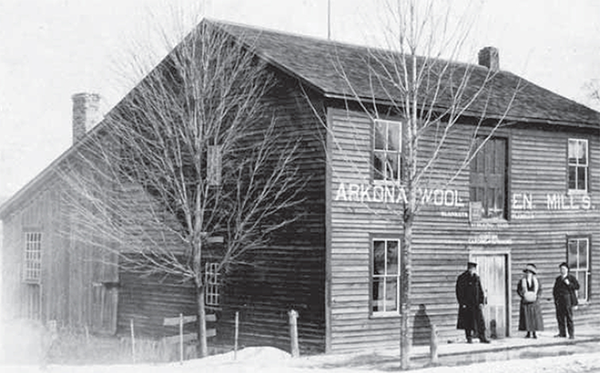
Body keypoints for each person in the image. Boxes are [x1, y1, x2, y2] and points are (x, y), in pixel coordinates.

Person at [456, 261, 490, 343]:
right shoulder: (462, 278)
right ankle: (469, 337)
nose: (472, 270)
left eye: (473, 269)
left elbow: (480, 290)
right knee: (468, 321)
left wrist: (481, 301)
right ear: (468, 269)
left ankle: (482, 337)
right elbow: (459, 291)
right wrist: (462, 303)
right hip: (467, 304)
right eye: (470, 268)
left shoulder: (476, 278)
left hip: (476, 304)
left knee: (480, 322)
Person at [552, 262, 580, 339]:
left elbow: (577, 286)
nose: (562, 270)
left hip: (568, 299)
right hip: (560, 300)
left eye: (564, 269)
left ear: (567, 270)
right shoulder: (558, 279)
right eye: (561, 269)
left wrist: (569, 284)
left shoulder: (571, 278)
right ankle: (562, 333)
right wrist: (555, 299)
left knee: (569, 317)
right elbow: (555, 290)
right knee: (560, 317)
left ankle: (571, 334)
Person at [517, 263, 544, 338]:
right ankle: (528, 332)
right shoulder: (522, 281)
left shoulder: (536, 281)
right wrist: (523, 295)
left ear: (532, 273)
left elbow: (540, 290)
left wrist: (536, 296)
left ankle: (534, 333)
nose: (528, 274)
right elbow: (519, 290)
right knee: (527, 317)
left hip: (534, 302)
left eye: (530, 272)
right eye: (527, 272)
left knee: (534, 318)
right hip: (525, 302)